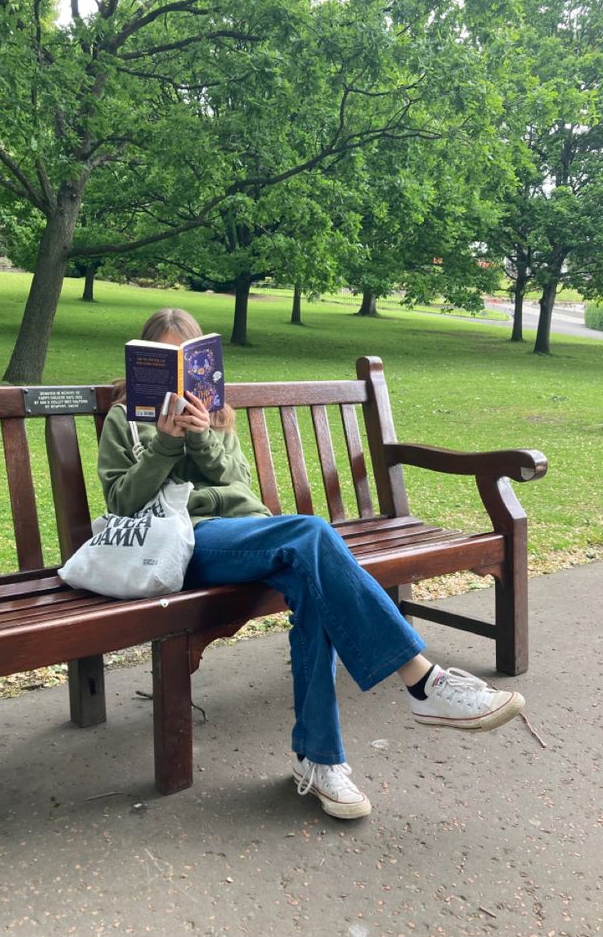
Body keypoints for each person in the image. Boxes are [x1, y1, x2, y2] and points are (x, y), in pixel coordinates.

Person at [98, 308, 525, 820]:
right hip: (182, 544)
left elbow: (234, 479)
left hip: (250, 536)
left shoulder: (216, 416)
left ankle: (318, 761)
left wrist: (198, 433)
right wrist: (165, 444)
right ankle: (424, 682)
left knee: (313, 584)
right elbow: (123, 503)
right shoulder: (125, 420)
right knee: (312, 533)